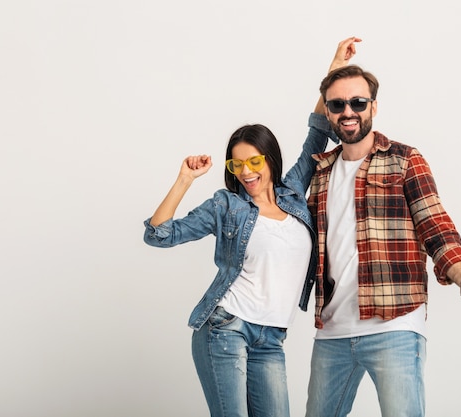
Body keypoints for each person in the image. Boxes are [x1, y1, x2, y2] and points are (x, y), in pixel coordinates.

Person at [142, 41, 355, 417]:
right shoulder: (227, 205)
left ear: (270, 160)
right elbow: (159, 235)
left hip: (271, 339)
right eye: (237, 164)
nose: (247, 172)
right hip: (226, 328)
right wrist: (183, 180)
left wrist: (335, 65)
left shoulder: (291, 193)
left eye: (254, 161)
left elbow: (317, 131)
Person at [304, 37, 461, 417]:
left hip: (394, 325)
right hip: (332, 332)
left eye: (358, 102)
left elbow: (435, 226)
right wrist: (332, 68)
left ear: (373, 106)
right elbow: (313, 126)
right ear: (328, 112)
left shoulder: (405, 160)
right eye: (338, 105)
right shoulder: (320, 170)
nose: (348, 112)